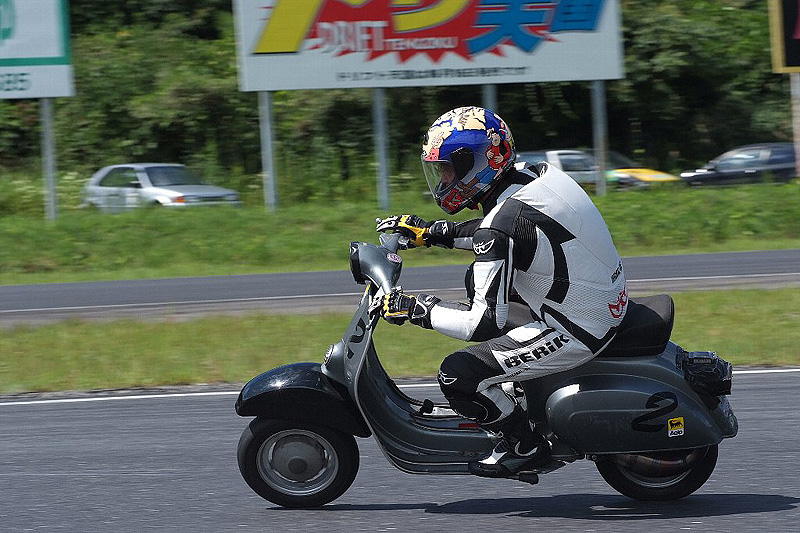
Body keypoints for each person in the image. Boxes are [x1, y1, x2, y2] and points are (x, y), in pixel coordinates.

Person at [374, 106, 628, 479]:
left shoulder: (501, 224)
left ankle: (524, 447)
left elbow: (480, 321)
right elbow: (506, 231)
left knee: (457, 375)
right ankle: (518, 385)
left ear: (477, 164)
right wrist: (431, 233)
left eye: (448, 169)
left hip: (578, 327)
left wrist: (416, 309)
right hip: (597, 299)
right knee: (475, 280)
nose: (443, 179)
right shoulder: (533, 176)